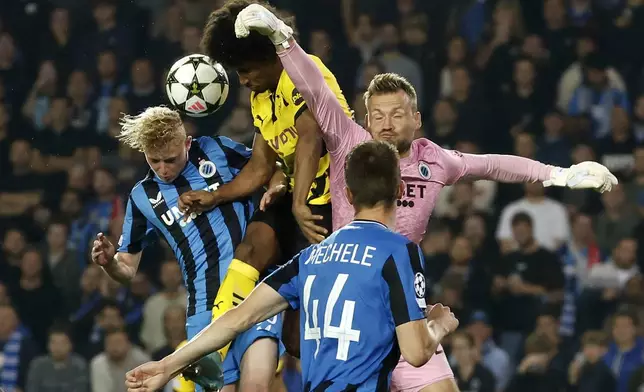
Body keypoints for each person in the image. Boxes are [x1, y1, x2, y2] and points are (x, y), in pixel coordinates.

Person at [230, 4, 619, 392]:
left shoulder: (435, 159)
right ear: (366, 120)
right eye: (377, 115)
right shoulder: (349, 142)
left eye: (397, 115)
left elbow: (494, 165)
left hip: (403, 308)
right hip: (353, 311)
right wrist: (283, 40)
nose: (386, 124)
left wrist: (560, 175)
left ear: (416, 119)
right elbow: (315, 89)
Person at [125, 140, 460, 392]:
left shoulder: (310, 258)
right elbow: (416, 352)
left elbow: (237, 318)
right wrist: (439, 325)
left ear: (348, 194)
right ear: (400, 190)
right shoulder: (399, 252)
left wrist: (168, 366)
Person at [179, 0, 353, 360]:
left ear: (270, 56)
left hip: (334, 203)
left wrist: (300, 201)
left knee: (296, 339)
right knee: (250, 248)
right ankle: (213, 353)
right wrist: (216, 196)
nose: (242, 80)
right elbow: (260, 164)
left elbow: (311, 135)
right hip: (296, 197)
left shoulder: (304, 72)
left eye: (246, 70)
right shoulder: (261, 95)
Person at [90, 106, 285, 391]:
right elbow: (127, 269)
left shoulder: (216, 150)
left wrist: (275, 189)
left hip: (255, 291)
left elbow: (270, 169)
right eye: (153, 160)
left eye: (170, 159)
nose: (163, 169)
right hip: (203, 309)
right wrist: (109, 263)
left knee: (257, 384)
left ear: (187, 143)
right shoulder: (142, 196)